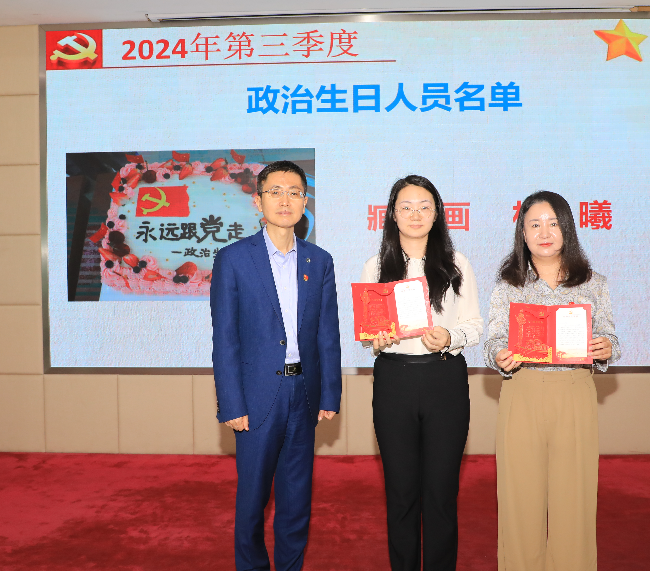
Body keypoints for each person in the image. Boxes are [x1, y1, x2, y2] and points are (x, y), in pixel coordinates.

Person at [211, 160, 341, 571]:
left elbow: (327, 333)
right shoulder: (233, 259)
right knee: (252, 501)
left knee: (296, 500)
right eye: (275, 192)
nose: (285, 200)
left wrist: (330, 393)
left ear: (305, 201)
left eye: (295, 192)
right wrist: (231, 403)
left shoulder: (319, 260)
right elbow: (225, 338)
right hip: (256, 396)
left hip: (303, 393)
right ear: (259, 201)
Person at [483, 190, 621, 571]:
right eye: (535, 224)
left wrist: (606, 347)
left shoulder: (593, 283)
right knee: (520, 500)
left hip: (574, 392)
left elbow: (610, 336)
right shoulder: (508, 285)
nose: (544, 233)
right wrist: (499, 354)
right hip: (522, 390)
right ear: (523, 234)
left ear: (567, 230)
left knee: (574, 500)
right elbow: (493, 340)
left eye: (553, 223)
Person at [359, 175, 484, 571]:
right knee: (400, 494)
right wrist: (376, 339)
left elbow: (475, 325)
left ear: (437, 214)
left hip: (444, 380)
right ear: (392, 215)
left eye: (424, 206)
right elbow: (367, 334)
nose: (416, 214)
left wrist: (450, 336)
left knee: (441, 493)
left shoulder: (457, 264)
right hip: (394, 380)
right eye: (406, 207)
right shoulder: (376, 266)